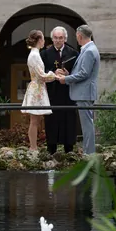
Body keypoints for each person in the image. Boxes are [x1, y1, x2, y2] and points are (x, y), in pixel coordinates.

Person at [57, 25, 100, 155]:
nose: (77, 38)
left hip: (84, 93)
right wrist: (68, 74)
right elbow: (83, 72)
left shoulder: (88, 51)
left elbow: (84, 73)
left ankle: (89, 153)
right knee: (87, 124)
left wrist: (66, 79)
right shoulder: (89, 49)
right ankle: (88, 152)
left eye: (76, 36)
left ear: (80, 36)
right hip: (84, 92)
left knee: (87, 125)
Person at [41, 26, 79, 155]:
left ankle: (69, 149)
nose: (58, 40)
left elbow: (78, 73)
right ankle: (51, 148)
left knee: (68, 119)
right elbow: (41, 72)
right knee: (52, 120)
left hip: (68, 93)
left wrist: (68, 74)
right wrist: (52, 72)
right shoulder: (45, 54)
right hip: (52, 92)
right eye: (56, 38)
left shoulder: (73, 53)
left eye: (60, 38)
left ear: (65, 39)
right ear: (52, 38)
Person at [20, 29, 57, 152]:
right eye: (42, 39)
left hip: (37, 87)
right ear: (40, 40)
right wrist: (55, 75)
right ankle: (33, 147)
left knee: (36, 120)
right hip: (37, 88)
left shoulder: (35, 53)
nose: (44, 41)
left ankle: (34, 146)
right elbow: (41, 76)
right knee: (34, 120)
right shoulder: (35, 55)